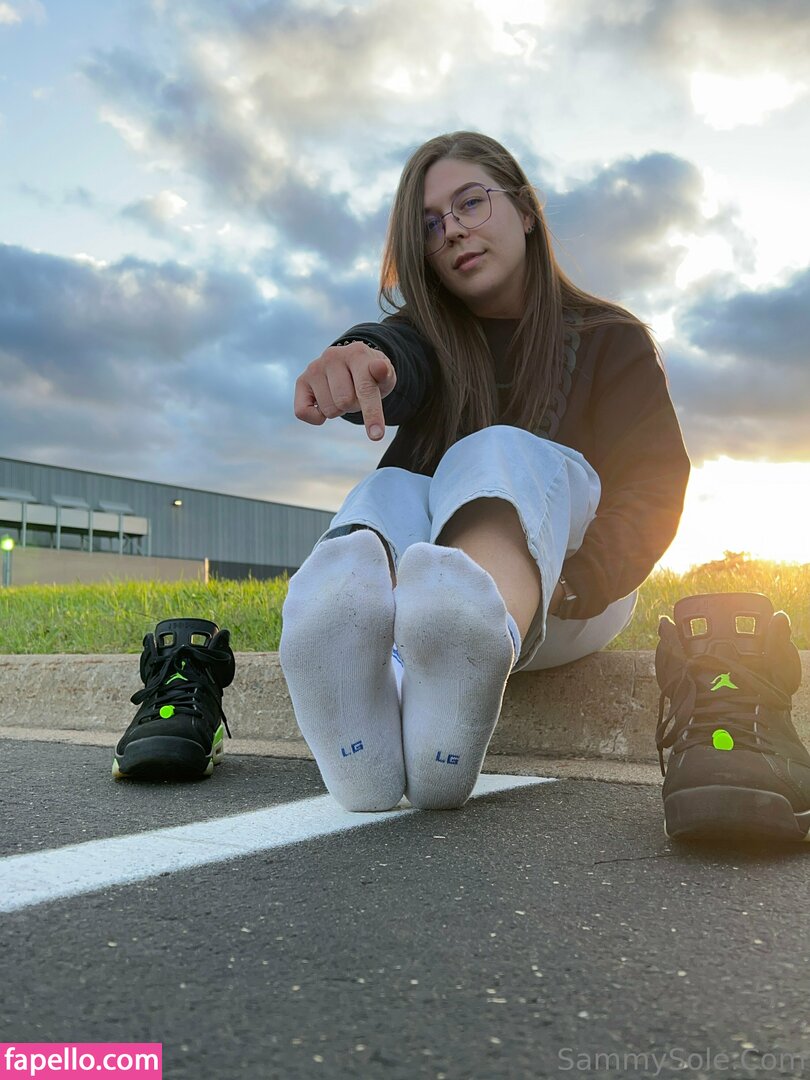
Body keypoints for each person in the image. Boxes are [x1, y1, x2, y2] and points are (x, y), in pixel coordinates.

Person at [278, 130, 692, 815]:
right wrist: (360, 356)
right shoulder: (428, 341)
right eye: (429, 226)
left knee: (497, 450)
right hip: (419, 619)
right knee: (388, 488)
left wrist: (578, 582)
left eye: (471, 203)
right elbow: (397, 353)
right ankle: (374, 750)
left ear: (526, 210)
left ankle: (466, 626)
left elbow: (653, 484)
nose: (452, 231)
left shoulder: (610, 340)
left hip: (569, 597)